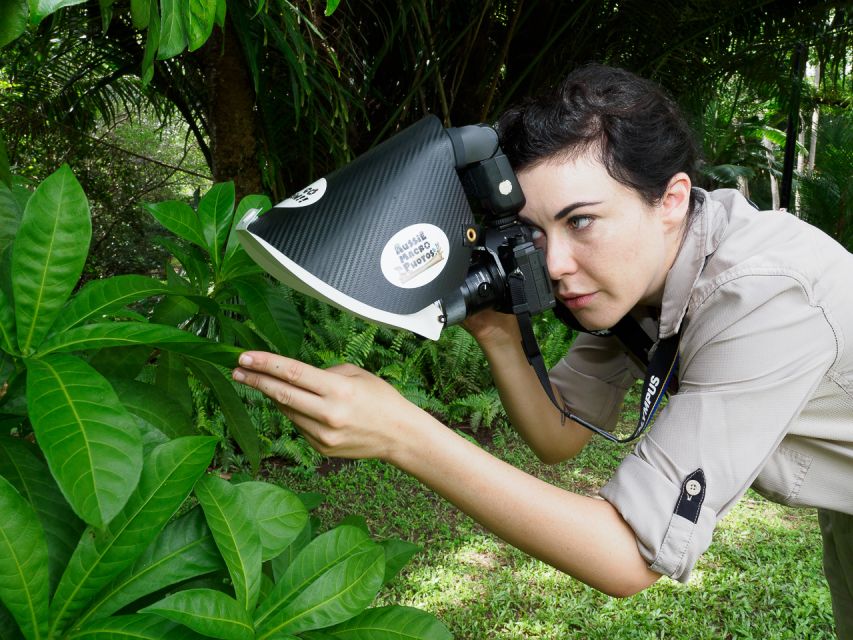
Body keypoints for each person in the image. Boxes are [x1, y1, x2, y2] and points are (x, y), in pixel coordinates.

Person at [231, 64, 853, 637]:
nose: (554, 264)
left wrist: (404, 435)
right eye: (535, 231)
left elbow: (625, 556)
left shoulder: (767, 296)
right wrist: (499, 334)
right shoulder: (637, 280)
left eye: (581, 221)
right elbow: (560, 436)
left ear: (670, 199)